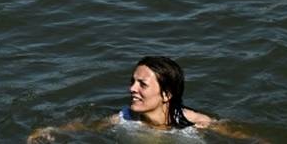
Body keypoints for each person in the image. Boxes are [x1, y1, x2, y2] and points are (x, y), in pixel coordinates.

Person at [26, 56, 224, 141]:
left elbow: (242, 136)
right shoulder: (123, 119)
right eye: (132, 81)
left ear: (167, 94)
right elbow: (86, 127)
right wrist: (49, 131)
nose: (132, 89)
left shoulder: (196, 123)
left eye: (142, 84)